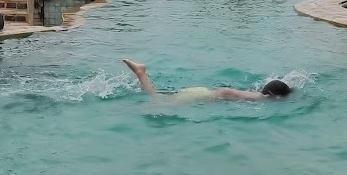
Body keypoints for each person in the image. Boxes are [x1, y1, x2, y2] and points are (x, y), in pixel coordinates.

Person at [123, 59, 292, 102]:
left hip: (202, 92)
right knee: (156, 100)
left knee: (159, 96)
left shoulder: (256, 93)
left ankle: (142, 76)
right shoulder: (260, 98)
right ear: (273, 95)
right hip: (202, 96)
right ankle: (140, 73)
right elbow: (226, 92)